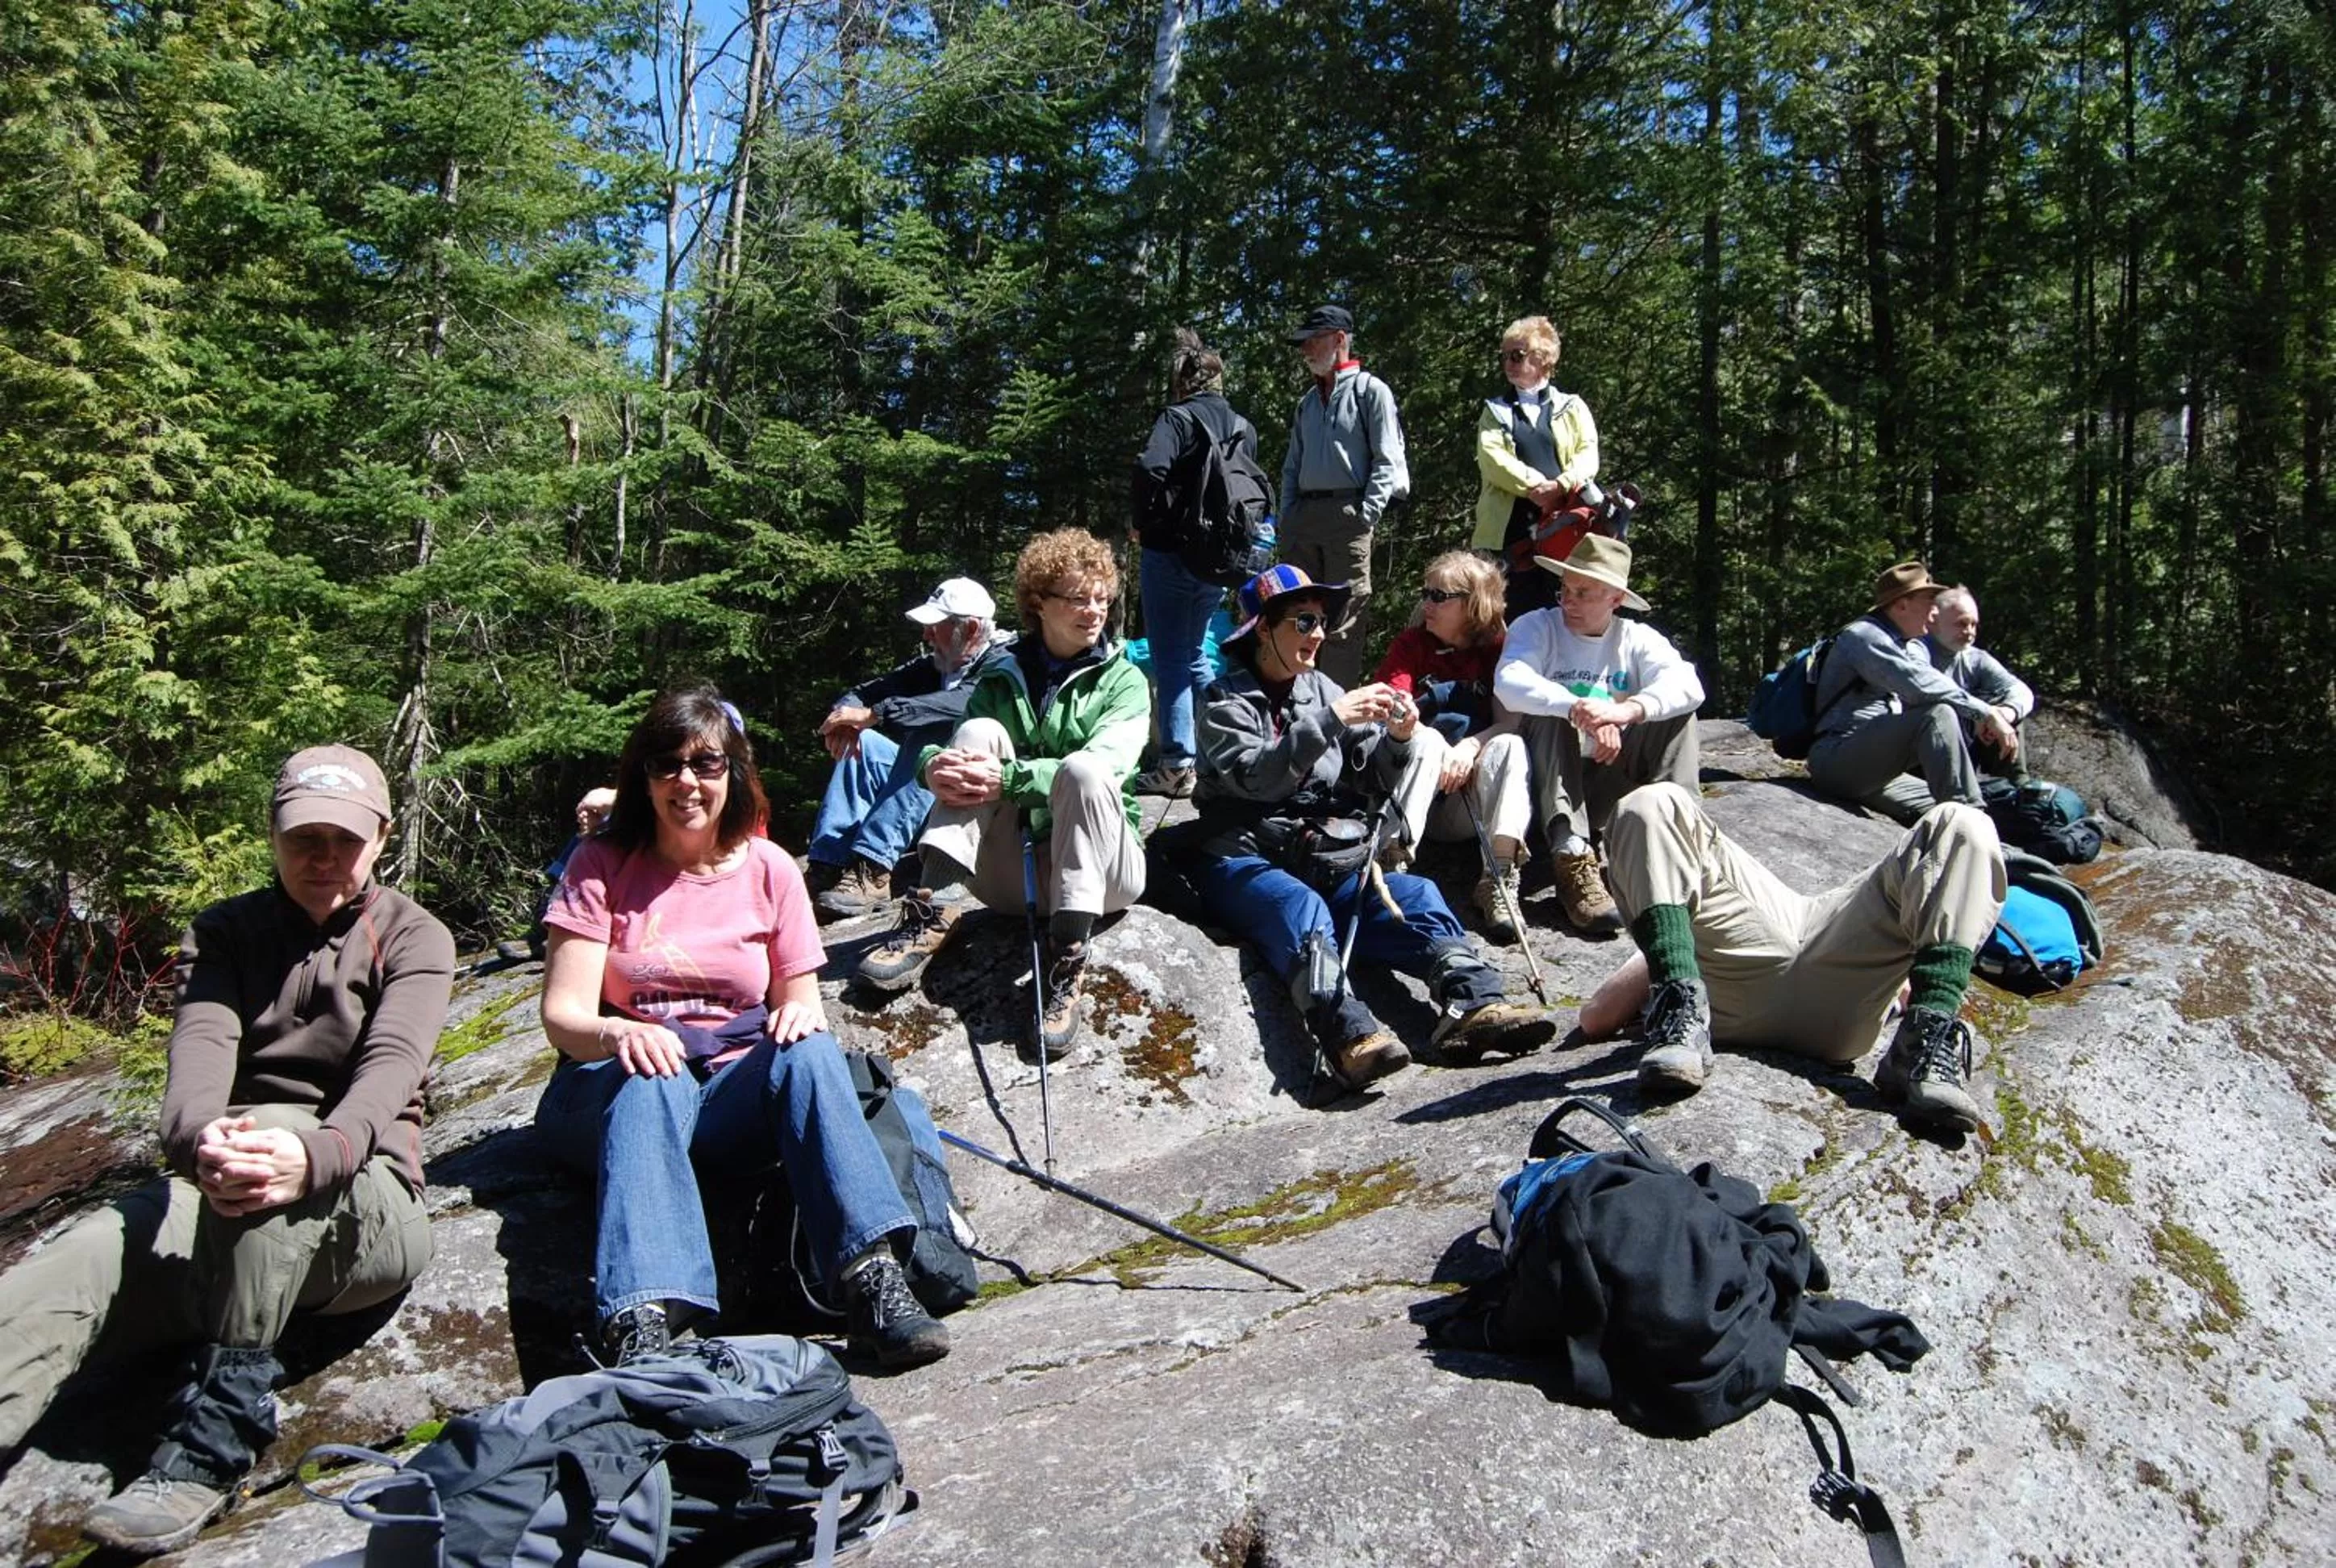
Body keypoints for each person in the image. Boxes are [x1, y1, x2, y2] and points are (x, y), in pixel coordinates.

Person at [0, 746, 454, 1556]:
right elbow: (200, 1057)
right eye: (302, 839)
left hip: (367, 1199)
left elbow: (390, 1071)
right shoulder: (226, 931)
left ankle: (214, 1439)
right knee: (93, 1247)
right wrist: (199, 1138)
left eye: (343, 841)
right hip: (228, 1170)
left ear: (380, 838)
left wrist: (315, 1155)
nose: (322, 859)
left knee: (271, 1153)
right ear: (272, 837)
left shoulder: (414, 937)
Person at [532, 686, 949, 1372]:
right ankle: (644, 1325)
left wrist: (797, 1015)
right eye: (667, 765)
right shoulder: (601, 864)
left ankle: (872, 1282)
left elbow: (802, 1000)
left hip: (727, 1090)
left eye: (707, 764)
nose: (687, 782)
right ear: (642, 776)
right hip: (611, 1087)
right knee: (651, 1080)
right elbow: (565, 1019)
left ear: (734, 771)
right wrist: (618, 1036)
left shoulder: (770, 869)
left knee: (812, 1054)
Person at [1187, 565, 1555, 1087]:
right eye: (1304, 621)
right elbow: (1256, 779)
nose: (1318, 633)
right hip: (1242, 856)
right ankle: (1347, 1034)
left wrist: (1401, 739)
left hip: (1322, 855)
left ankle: (1475, 1005)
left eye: (1322, 622)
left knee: (1417, 894)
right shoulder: (1224, 701)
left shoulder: (1320, 690)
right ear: (1263, 629)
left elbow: (1370, 766)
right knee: (1300, 907)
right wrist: (1332, 718)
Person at [857, 531, 1151, 1059]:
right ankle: (935, 908)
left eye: (1103, 598)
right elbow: (952, 750)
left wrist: (1010, 781)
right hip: (1012, 877)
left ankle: (1068, 954)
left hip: (1103, 876)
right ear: (1039, 601)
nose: (1095, 610)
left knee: (1084, 770)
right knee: (975, 738)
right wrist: (933, 770)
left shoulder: (1124, 680)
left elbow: (1109, 765)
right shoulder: (1002, 673)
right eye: (1079, 598)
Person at [1577, 782, 2006, 1133]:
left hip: (1825, 981)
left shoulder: (1680, 921)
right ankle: (1681, 1006)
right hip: (1810, 1004)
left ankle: (1926, 1041)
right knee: (1651, 800)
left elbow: (1597, 1018)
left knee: (1964, 822)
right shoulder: (1671, 934)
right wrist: (1669, 955)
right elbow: (1596, 1017)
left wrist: (1667, 945)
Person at [1493, 535, 1703, 936]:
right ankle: (1571, 857)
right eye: (1566, 589)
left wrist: (1626, 711)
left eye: (1584, 592)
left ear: (1616, 599)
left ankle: (1680, 840)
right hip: (1546, 783)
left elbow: (1688, 685)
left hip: (1608, 776)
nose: (1568, 601)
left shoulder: (1636, 639)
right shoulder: (1537, 626)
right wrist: (1577, 708)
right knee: (1547, 713)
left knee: (1677, 716)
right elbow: (1510, 681)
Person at [807, 578, 1010, 920]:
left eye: (935, 627)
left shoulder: (1004, 661)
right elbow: (868, 690)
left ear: (972, 628)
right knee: (867, 743)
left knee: (932, 733)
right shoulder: (938, 663)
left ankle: (873, 868)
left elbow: (960, 703)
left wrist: (875, 714)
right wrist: (846, 719)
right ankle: (828, 864)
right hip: (939, 790)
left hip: (984, 802)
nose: (926, 636)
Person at [1374, 551, 1534, 944]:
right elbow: (1391, 705)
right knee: (1425, 737)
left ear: (1473, 603)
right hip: (1413, 793)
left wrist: (1467, 748)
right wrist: (1405, 716)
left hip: (1467, 802)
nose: (1427, 603)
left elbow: (1509, 720)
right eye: (1426, 593)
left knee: (1510, 744)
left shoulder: (1497, 649)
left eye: (1440, 596)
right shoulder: (1412, 645)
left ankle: (1498, 878)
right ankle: (1391, 861)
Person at [1129, 327, 1259, 800]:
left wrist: (1145, 522)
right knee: (1197, 655)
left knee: (1170, 659)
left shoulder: (1178, 418)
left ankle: (1177, 763)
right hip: (1218, 559)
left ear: (1181, 381)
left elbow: (1150, 468)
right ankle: (1230, 746)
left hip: (1170, 552)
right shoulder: (1244, 425)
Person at [1807, 561, 2017, 822]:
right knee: (1936, 715)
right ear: (1902, 604)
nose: (1934, 612)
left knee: (1949, 812)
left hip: (1874, 770)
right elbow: (1919, 685)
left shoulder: (1905, 644)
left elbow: (1929, 680)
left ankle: (2006, 853)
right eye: (1929, 601)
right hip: (1837, 761)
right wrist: (1987, 714)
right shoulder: (1864, 636)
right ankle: (1972, 830)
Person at [1276, 304, 1409, 687]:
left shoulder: (1371, 391)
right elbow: (1291, 466)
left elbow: (1388, 459)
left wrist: (1365, 514)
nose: (1306, 352)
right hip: (1304, 517)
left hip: (1348, 516)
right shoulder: (1307, 403)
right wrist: (1288, 516)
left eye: (1312, 342)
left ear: (1339, 340)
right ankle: (1294, 705)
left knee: (1344, 624)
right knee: (1297, 613)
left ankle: (1336, 716)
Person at [1471, 315, 1600, 619]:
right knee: (1508, 614)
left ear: (1544, 359)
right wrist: (1536, 486)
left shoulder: (1573, 406)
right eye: (1505, 356)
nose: (1509, 363)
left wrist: (1561, 486)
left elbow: (1588, 454)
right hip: (1509, 532)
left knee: (1563, 609)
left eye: (1517, 355)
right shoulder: (1495, 411)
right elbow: (1493, 460)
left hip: (1564, 528)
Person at [1925, 584, 2032, 780]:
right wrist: (1984, 716)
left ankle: (2015, 785)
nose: (1970, 632)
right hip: (1921, 750)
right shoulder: (1915, 653)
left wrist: (2004, 713)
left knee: (2006, 710)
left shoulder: (1975, 659)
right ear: (1933, 620)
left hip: (1965, 743)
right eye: (1961, 623)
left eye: (1974, 624)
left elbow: (2021, 691)